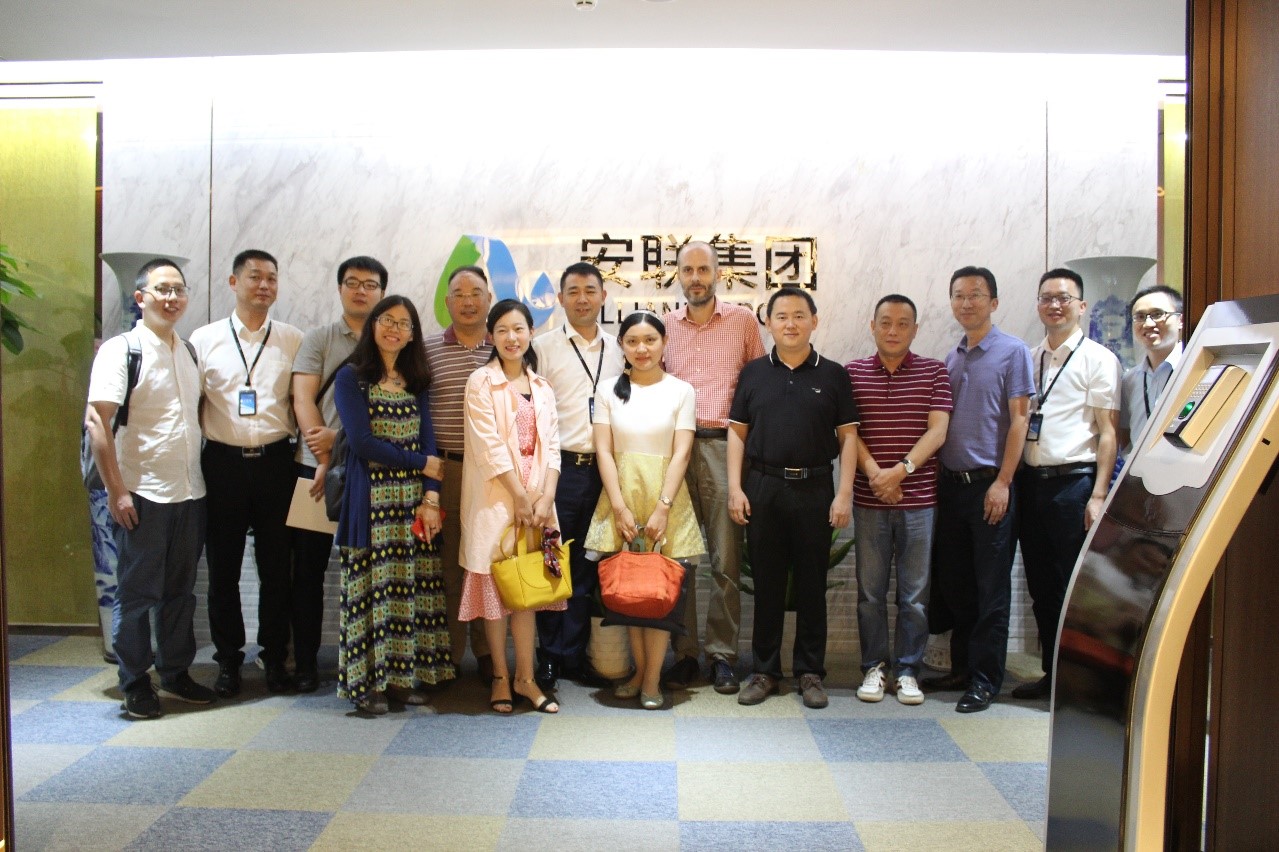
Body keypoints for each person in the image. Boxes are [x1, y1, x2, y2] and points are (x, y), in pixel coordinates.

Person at [85, 258, 215, 718]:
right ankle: (135, 681)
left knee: (180, 591)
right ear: (140, 297)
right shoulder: (121, 350)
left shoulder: (189, 351)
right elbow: (97, 422)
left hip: (189, 491)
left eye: (179, 289)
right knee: (137, 593)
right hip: (142, 492)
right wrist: (116, 490)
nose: (172, 297)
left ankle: (175, 672)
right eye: (162, 289)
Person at [728, 287, 858, 709]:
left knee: (810, 585)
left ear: (814, 321)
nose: (790, 323)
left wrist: (844, 494)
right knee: (766, 584)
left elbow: (848, 437)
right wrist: (735, 488)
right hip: (763, 487)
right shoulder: (753, 373)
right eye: (781, 316)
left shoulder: (833, 374)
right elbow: (737, 433)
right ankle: (765, 671)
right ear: (767, 322)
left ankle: (810, 672)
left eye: (799, 315)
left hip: (815, 489)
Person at [190, 250, 304, 697]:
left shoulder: (292, 339)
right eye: (255, 276)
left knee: (277, 569)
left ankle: (274, 658)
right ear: (233, 282)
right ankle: (228, 661)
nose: (264, 285)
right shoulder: (204, 340)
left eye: (272, 278)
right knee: (223, 571)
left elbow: (302, 402)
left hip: (277, 462)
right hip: (223, 464)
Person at [332, 295, 453, 714]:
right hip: (370, 502)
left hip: (411, 503)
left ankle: (400, 679)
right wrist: (421, 463)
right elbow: (363, 444)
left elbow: (429, 440)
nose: (394, 329)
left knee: (407, 590)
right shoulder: (351, 378)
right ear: (373, 325)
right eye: (387, 320)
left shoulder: (415, 379)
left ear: (412, 334)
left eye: (403, 323)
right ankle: (366, 686)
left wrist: (431, 495)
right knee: (370, 593)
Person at [924, 266, 1034, 713]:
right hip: (951, 487)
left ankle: (986, 680)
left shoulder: (1013, 352)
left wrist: (1004, 482)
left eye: (975, 294)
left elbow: (1020, 420)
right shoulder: (951, 357)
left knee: (991, 590)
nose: (966, 303)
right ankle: (963, 668)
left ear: (994, 302)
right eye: (958, 295)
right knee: (957, 585)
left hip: (991, 485)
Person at [584, 312, 704, 709]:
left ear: (664, 343)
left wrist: (663, 508)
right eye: (632, 341)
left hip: (666, 500)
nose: (642, 348)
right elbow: (603, 450)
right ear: (622, 345)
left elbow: (682, 452)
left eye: (650, 340)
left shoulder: (681, 390)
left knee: (660, 592)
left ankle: (652, 678)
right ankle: (639, 672)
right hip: (621, 497)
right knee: (631, 592)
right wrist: (618, 506)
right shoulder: (607, 390)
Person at [662, 240, 765, 694]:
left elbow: (761, 384)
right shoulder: (666, 326)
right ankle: (684, 654)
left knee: (726, 560)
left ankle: (722, 655)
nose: (696, 278)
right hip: (676, 451)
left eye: (704, 269)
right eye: (688, 270)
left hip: (726, 448)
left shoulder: (742, 321)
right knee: (679, 558)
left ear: (718, 274)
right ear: (678, 275)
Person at [1014, 267, 1121, 700]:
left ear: (1081, 306)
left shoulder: (1099, 358)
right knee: (1040, 586)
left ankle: (1077, 683)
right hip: (1031, 483)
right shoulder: (1029, 357)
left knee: (1070, 587)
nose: (1054, 305)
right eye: (1046, 298)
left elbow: (1108, 433)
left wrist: (1098, 494)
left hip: (1073, 484)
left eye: (1063, 298)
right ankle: (1052, 676)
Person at [458, 299, 564, 714]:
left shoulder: (542, 387)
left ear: (531, 333)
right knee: (496, 588)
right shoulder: (481, 382)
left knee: (528, 590)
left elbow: (552, 447)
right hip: (497, 500)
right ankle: (501, 676)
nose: (511, 337)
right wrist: (519, 497)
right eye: (502, 330)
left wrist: (545, 496)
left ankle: (526, 677)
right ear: (491, 336)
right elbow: (489, 447)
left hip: (538, 502)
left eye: (519, 329)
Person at [289, 255, 389, 693]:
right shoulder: (320, 339)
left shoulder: (390, 341)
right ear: (339, 288)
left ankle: (371, 662)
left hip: (368, 472)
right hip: (315, 470)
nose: (361, 291)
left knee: (370, 568)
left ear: (382, 292)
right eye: (352, 282)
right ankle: (305, 662)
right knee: (307, 572)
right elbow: (303, 398)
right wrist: (325, 451)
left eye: (370, 284)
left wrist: (343, 441)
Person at [846, 294, 952, 706]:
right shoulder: (853, 373)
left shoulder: (934, 371)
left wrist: (899, 472)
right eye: (886, 322)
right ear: (872, 326)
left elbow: (938, 431)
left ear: (915, 329)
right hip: (869, 500)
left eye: (903, 323)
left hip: (919, 501)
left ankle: (908, 671)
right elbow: (848, 432)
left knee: (915, 596)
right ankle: (874, 667)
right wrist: (876, 474)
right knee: (870, 594)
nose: (893, 330)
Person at [530, 262, 626, 689]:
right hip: (560, 471)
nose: (582, 299)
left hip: (606, 472)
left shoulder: (620, 348)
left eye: (590, 290)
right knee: (553, 563)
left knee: (588, 567)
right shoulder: (542, 348)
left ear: (603, 296)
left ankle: (575, 655)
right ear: (561, 299)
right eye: (573, 291)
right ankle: (550, 657)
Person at [423, 266, 495, 682]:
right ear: (447, 302)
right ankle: (449, 654)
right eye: (459, 294)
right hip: (447, 469)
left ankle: (487, 653)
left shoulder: (506, 345)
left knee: (487, 564)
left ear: (489, 298)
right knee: (448, 567)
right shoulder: (428, 350)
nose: (468, 301)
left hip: (492, 475)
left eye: (476, 292)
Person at [1119, 285, 1184, 458]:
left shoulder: (1194, 368)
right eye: (1140, 317)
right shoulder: (1129, 380)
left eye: (1157, 314)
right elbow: (1125, 435)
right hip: (1140, 471)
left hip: (1186, 468)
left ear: (1180, 320)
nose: (1148, 324)